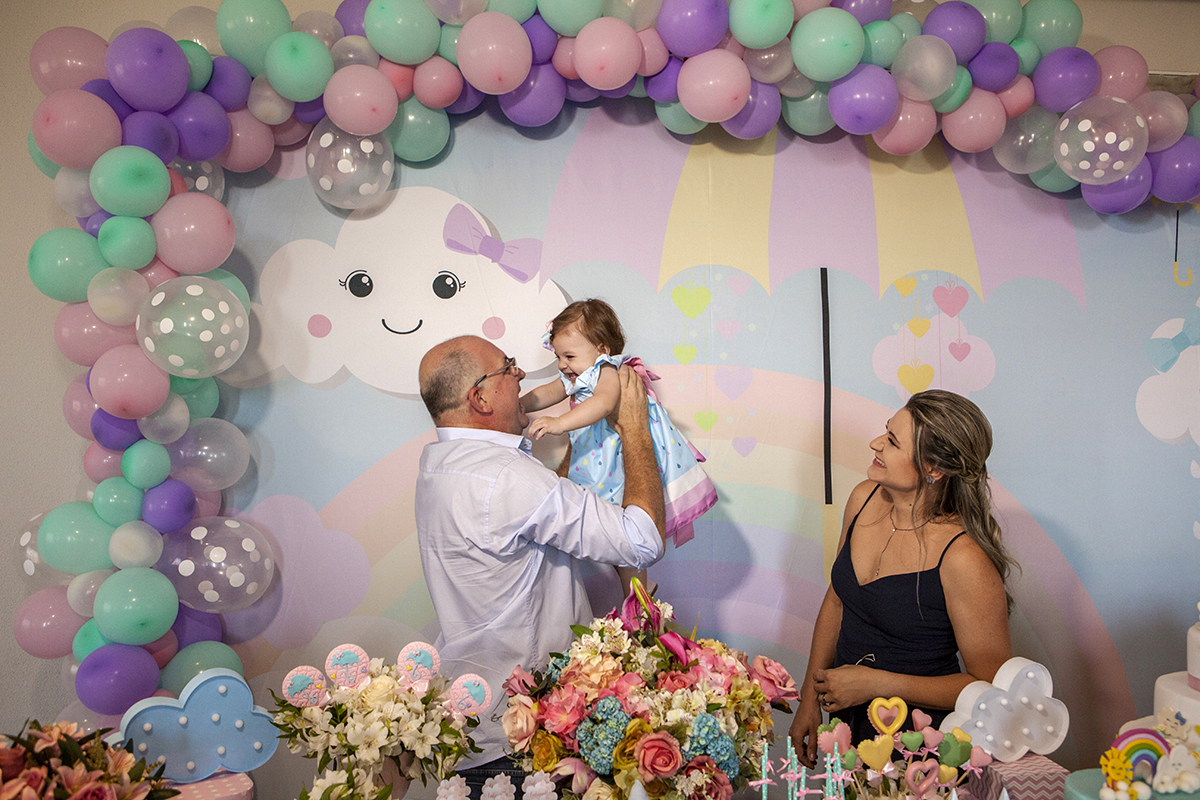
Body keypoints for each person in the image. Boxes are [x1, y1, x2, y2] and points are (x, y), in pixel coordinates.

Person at [415, 335, 667, 792]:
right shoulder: (505, 478)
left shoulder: (440, 465)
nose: (521, 373)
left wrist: (581, 449)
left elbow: (540, 519)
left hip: (473, 724)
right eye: (507, 366)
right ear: (480, 398)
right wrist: (634, 429)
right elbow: (641, 540)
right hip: (522, 744)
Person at [789, 390, 1016, 765]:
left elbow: (989, 684)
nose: (876, 443)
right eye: (886, 431)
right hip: (847, 723)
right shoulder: (863, 499)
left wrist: (876, 683)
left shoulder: (963, 558)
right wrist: (809, 699)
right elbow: (837, 600)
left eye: (893, 441)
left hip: (920, 745)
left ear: (934, 468)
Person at [520, 299, 717, 594]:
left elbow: (603, 403)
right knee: (601, 523)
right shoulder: (577, 374)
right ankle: (638, 588)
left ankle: (637, 591)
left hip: (615, 456)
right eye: (559, 356)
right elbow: (547, 392)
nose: (562, 364)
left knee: (624, 520)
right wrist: (519, 405)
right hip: (596, 456)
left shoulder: (606, 371)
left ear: (601, 349)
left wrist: (559, 423)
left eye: (569, 356)